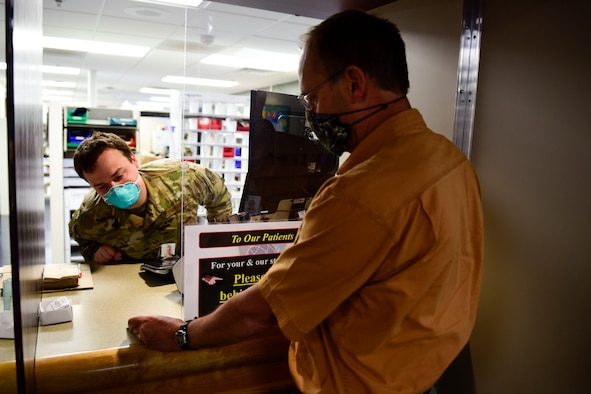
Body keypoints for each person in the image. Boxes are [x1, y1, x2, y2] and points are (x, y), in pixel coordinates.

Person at [128, 10, 484, 394]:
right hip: (432, 375)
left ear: (353, 83)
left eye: (312, 96)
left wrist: (183, 334)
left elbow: (263, 313)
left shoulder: (360, 191)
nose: (310, 113)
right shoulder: (450, 160)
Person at [69, 131, 233, 265]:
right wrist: (95, 252)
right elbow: (82, 239)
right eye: (102, 186)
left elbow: (220, 198)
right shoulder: (91, 213)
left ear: (134, 161)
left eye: (118, 176)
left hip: (184, 271)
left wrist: (215, 241)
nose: (115, 189)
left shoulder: (183, 177)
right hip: (133, 282)